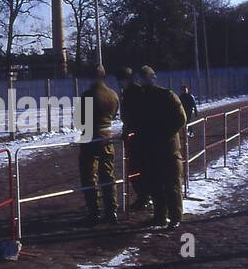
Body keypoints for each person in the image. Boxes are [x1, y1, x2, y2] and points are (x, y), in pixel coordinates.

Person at [139, 65, 187, 229]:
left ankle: (175, 217)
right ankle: (160, 216)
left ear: (153, 78)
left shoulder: (167, 95)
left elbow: (181, 118)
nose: (143, 81)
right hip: (153, 149)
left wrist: (165, 133)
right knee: (156, 185)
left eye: (146, 78)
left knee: (172, 184)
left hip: (168, 148)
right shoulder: (144, 98)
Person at [77, 66, 121, 226]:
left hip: (90, 139)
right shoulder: (113, 95)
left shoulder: (87, 95)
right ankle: (112, 211)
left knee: (89, 176)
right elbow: (115, 114)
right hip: (107, 138)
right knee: (108, 175)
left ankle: (94, 211)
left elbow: (80, 121)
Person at [118, 67, 150, 211]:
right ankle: (145, 196)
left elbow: (132, 116)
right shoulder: (132, 91)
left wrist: (129, 130)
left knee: (137, 169)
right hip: (138, 135)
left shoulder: (133, 92)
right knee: (138, 168)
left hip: (137, 137)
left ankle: (144, 197)